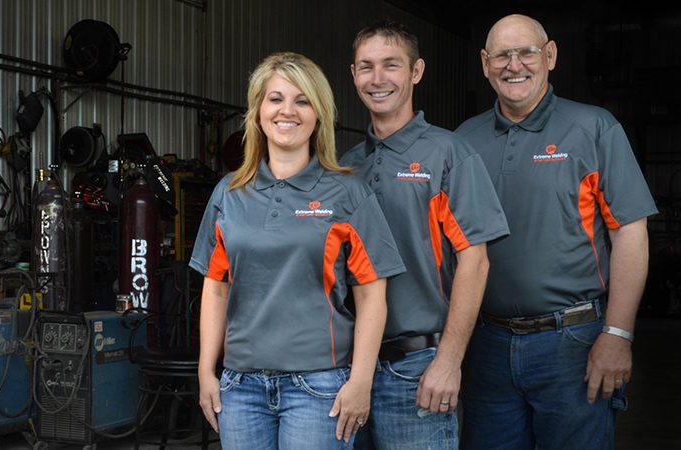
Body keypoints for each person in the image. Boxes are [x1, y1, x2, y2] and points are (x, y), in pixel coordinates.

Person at [455, 14, 658, 450]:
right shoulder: (463, 141)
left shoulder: (594, 128)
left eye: (526, 52)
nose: (515, 65)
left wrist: (617, 334)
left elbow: (630, 233)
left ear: (550, 55)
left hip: (573, 344)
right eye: (502, 56)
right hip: (486, 345)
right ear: (485, 62)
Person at [189, 52, 406, 450]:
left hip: (319, 386)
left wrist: (360, 380)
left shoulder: (348, 193)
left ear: (319, 114)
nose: (287, 111)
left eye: (302, 100)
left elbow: (372, 293)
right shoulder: (229, 193)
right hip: (240, 387)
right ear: (257, 111)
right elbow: (215, 287)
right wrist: (206, 371)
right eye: (275, 99)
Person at [341, 20, 510, 449]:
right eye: (366, 67)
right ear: (353, 74)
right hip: (345, 369)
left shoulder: (449, 153)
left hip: (416, 368)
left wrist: (448, 361)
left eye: (390, 65)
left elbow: (476, 260)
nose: (377, 79)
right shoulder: (345, 165)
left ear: (416, 72)